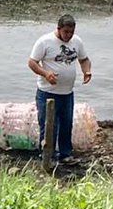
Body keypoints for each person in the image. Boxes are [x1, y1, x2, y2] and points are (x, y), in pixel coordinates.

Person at [27, 14, 92, 165]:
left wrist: (87, 71)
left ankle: (65, 154)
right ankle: (47, 155)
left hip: (67, 93)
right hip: (47, 93)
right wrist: (45, 73)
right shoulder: (45, 42)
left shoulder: (77, 41)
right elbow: (32, 62)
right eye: (66, 32)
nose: (68, 35)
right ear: (58, 29)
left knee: (66, 123)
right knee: (49, 125)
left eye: (71, 32)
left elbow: (84, 59)